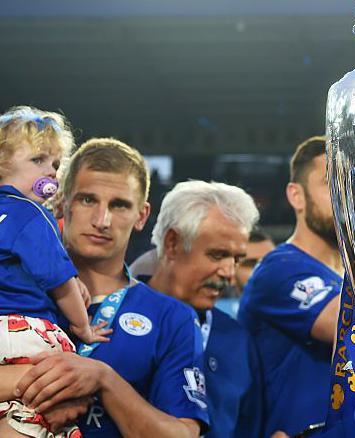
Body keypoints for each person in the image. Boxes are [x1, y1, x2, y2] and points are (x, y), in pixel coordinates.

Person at [3, 138, 209, 438]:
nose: (102, 220)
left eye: (119, 205)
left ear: (142, 216)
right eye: (87, 200)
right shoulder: (12, 291)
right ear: (60, 202)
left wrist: (104, 380)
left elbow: (182, 435)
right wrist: (49, 388)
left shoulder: (170, 317)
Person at [0, 108, 109, 438]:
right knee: (55, 405)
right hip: (27, 332)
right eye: (38, 160)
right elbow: (60, 281)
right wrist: (83, 326)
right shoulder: (32, 213)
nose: (51, 172)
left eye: (56, 164)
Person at [238, 136, 343, 437]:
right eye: (330, 182)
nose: (344, 194)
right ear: (297, 196)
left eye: (352, 182)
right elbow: (352, 326)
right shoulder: (279, 268)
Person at [146, 180, 264, 438]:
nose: (229, 273)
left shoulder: (237, 341)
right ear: (172, 243)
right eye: (217, 255)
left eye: (237, 259)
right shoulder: (117, 317)